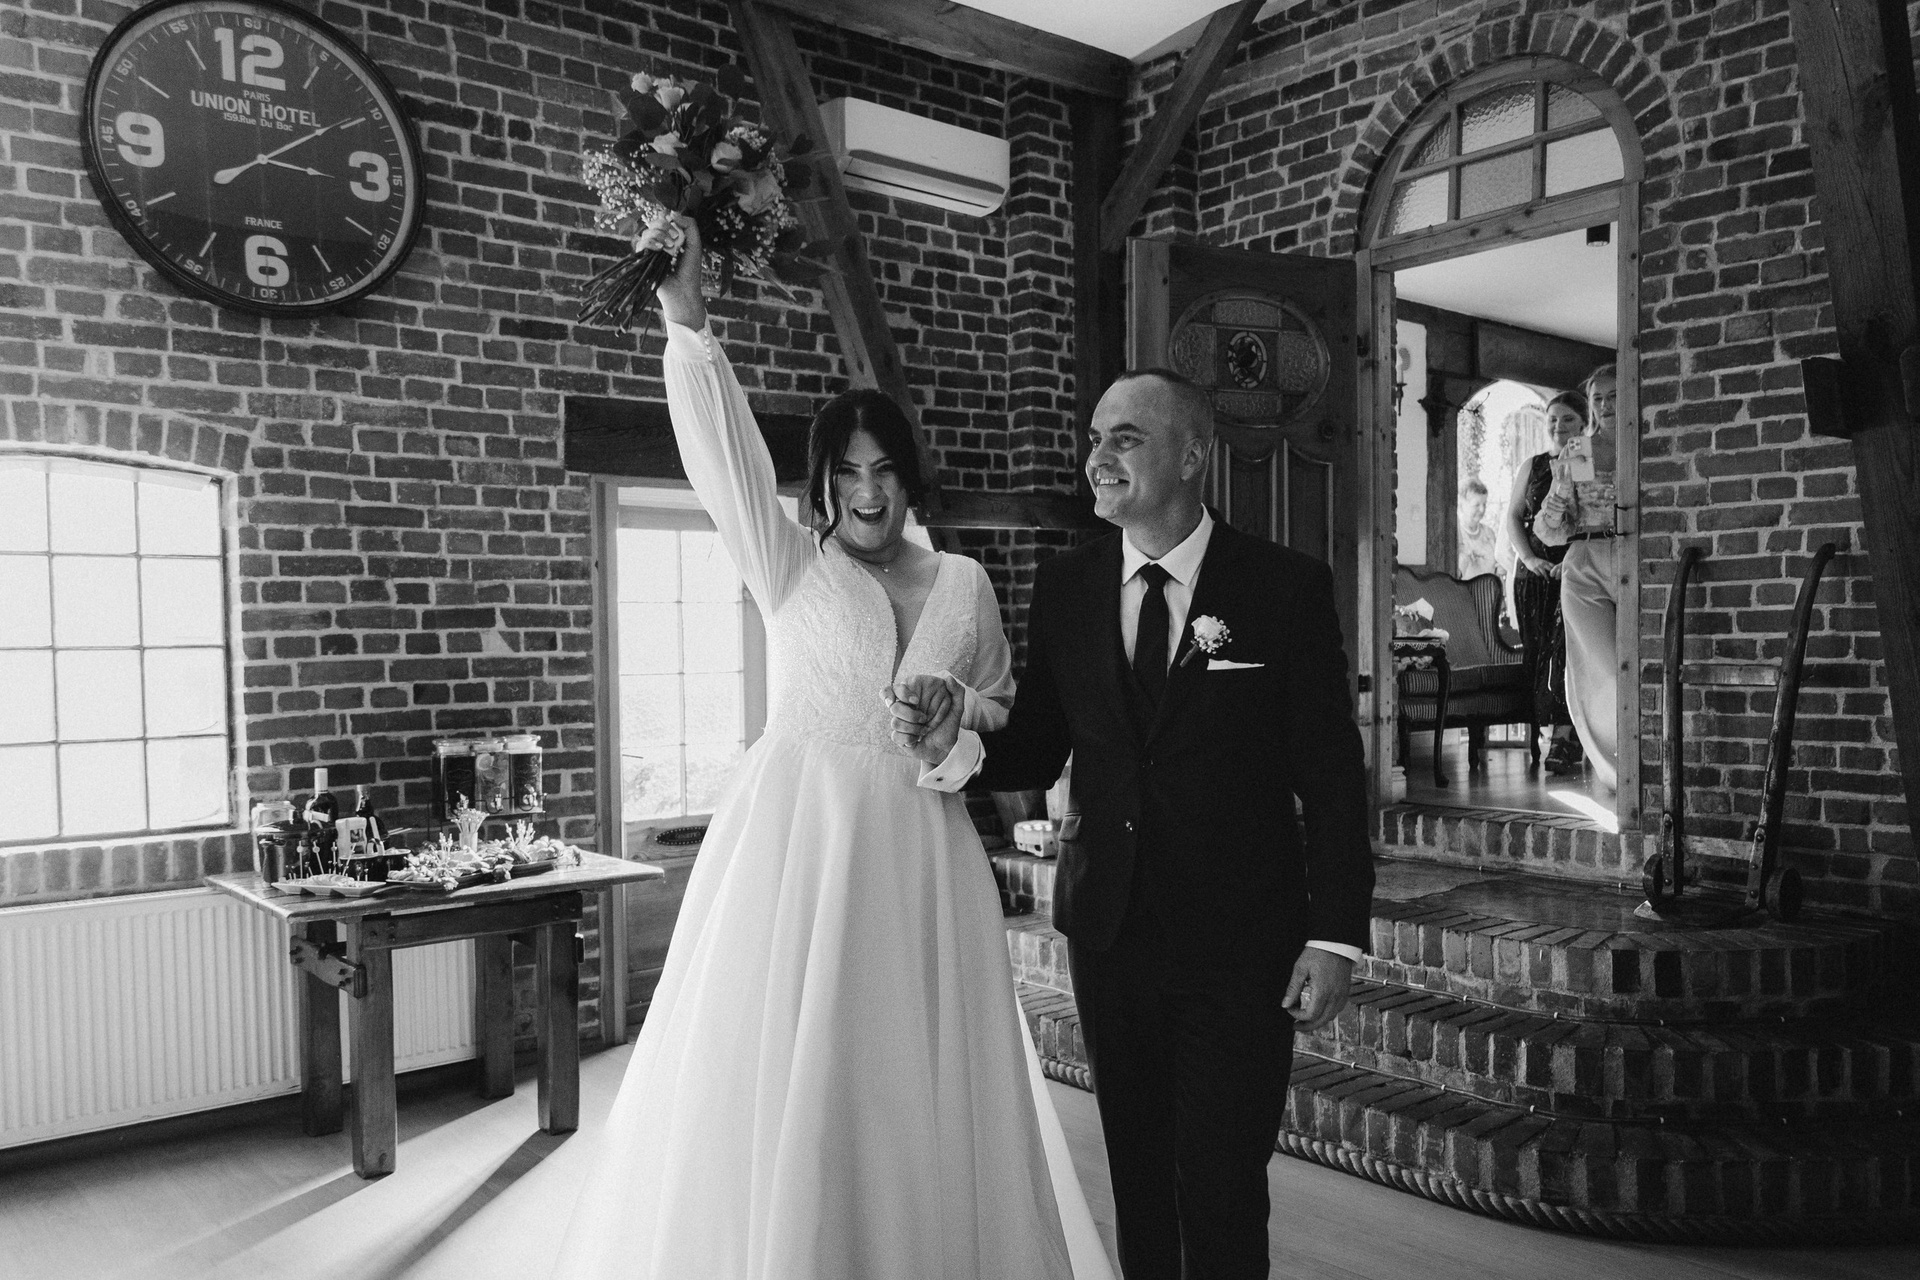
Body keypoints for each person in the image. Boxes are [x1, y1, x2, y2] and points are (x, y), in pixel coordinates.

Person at [553, 219, 1114, 1279]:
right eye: (848, 472)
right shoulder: (788, 564)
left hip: (924, 853)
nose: (868, 490)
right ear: (821, 482)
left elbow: (1003, 713)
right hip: (802, 848)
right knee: (808, 1065)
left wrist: (956, 715)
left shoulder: (965, 584)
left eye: (885, 470)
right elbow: (723, 460)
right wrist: (688, 323)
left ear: (909, 477)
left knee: (919, 1073)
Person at [893, 368, 1374, 1280]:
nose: (1098, 458)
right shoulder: (1068, 584)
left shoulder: (1283, 588)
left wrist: (1335, 935)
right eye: (1094, 439)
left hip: (1241, 939)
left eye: (1126, 438)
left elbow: (1332, 779)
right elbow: (1041, 745)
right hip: (1111, 934)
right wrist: (958, 745)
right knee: (1139, 1181)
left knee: (1223, 1188)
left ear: (1192, 456)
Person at [1535, 368, 1620, 792]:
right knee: (1598, 671)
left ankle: (1651, 761)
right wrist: (1561, 485)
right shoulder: (1580, 450)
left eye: (1615, 395)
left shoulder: (1648, 444)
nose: (1606, 405)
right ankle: (1616, 772)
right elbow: (1552, 528)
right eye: (1598, 398)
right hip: (1585, 558)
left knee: (1640, 664)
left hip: (1637, 556)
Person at [1506, 391, 1587, 774]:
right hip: (1532, 576)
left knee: (1564, 653)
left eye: (1568, 419)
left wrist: (1569, 561)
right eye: (1553, 419)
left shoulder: (1584, 460)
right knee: (1538, 654)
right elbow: (1513, 517)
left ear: (1584, 423)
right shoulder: (1532, 465)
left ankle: (1565, 738)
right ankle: (1548, 735)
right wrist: (1529, 559)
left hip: (1572, 572)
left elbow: (1587, 518)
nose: (1559, 426)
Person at [1457, 478, 1499, 581]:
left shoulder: (1489, 534)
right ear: (1462, 505)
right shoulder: (1457, 534)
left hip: (1487, 589)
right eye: (1476, 505)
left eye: (1484, 504)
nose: (1482, 509)